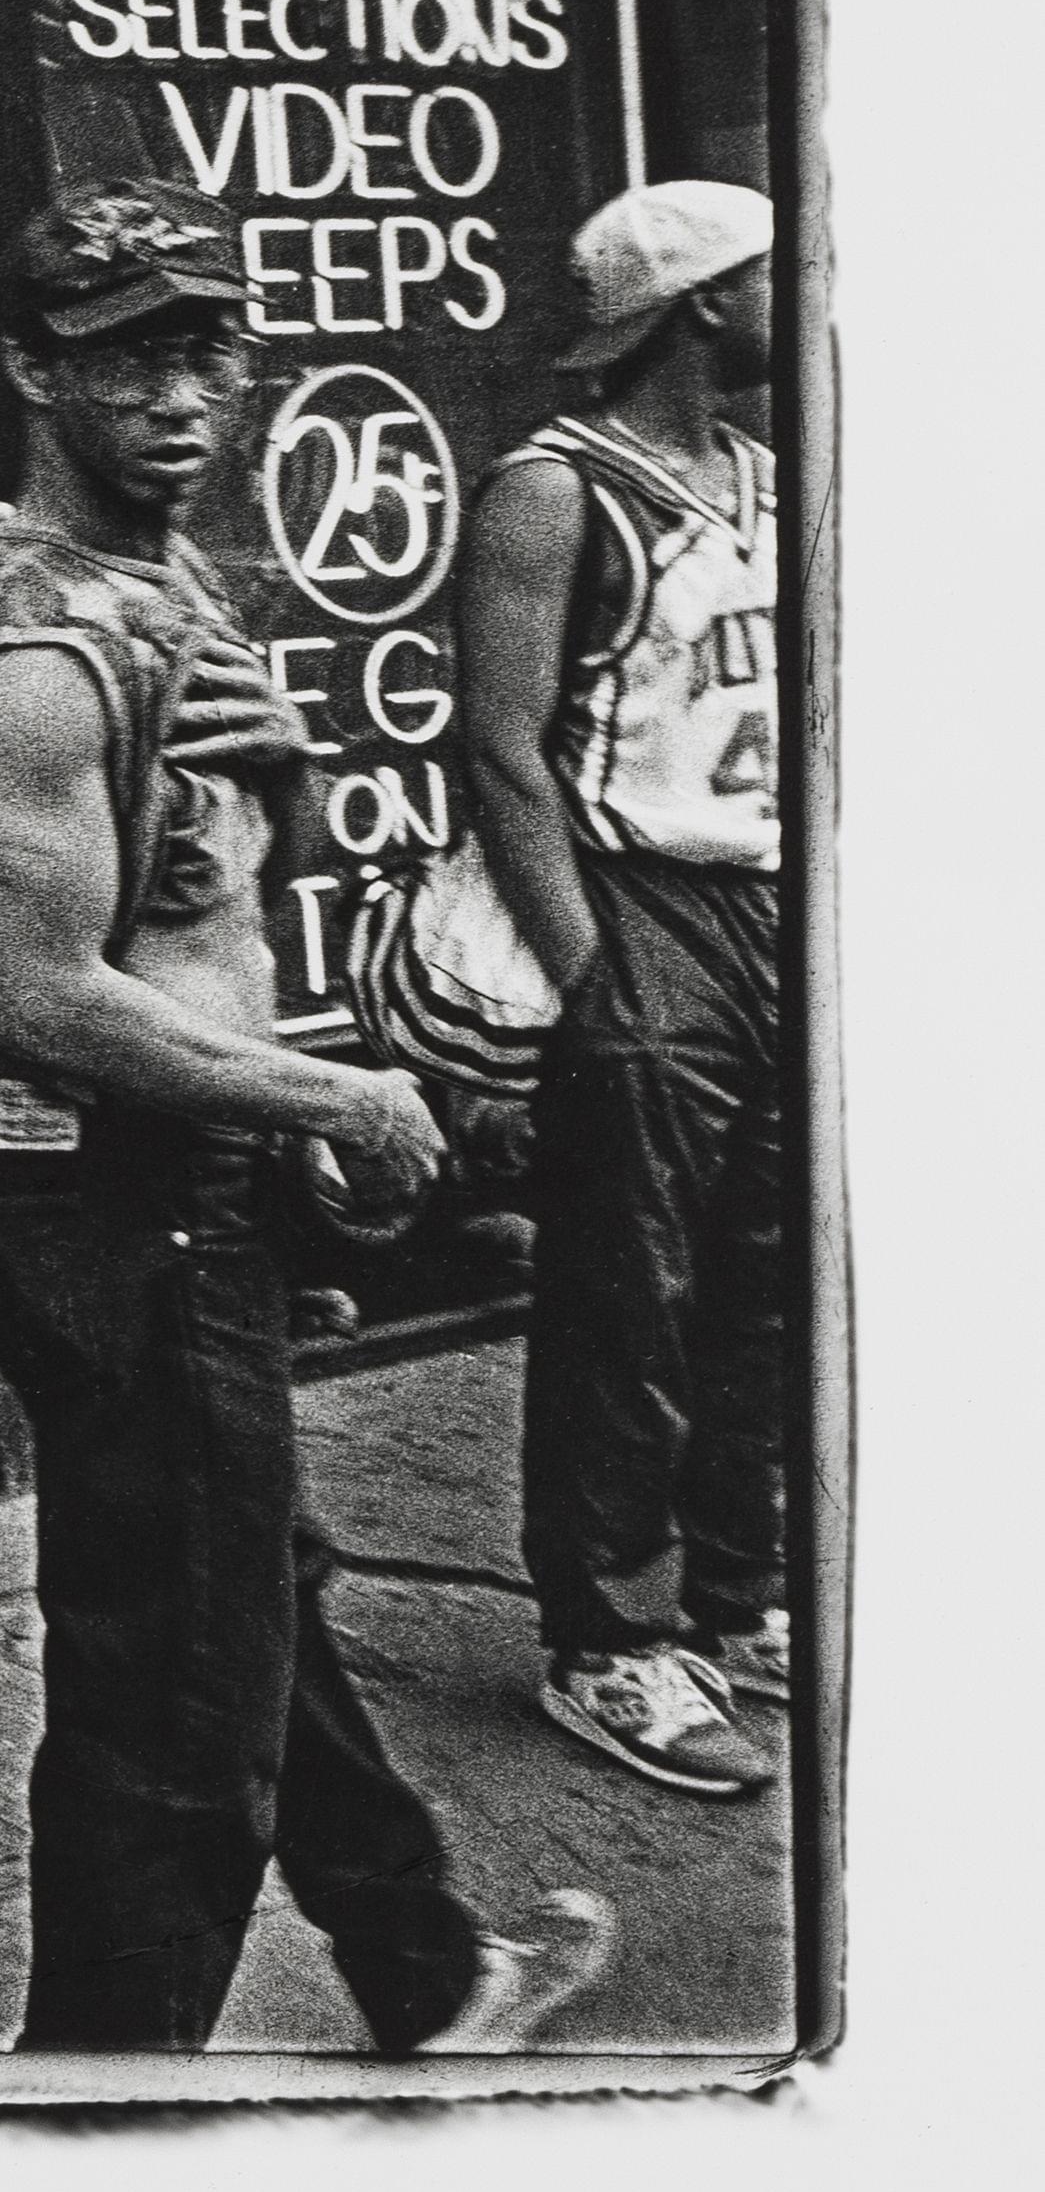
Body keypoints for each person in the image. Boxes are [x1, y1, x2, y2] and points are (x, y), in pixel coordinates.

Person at [0, 177, 613, 2053]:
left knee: (247, 1600)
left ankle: (424, 1969)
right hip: (116, 1199)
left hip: (196, 1181)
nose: (178, 397)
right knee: (173, 1715)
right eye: (125, 357)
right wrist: (339, 1094)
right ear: (29, 370)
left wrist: (289, 770)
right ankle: (93, 2120)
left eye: (206, 352)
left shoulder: (165, 586)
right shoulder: (35, 654)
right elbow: (53, 997)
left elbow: (213, 894)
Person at [455, 181, 788, 1798]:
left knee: (765, 1276)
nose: (797, 297)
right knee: (625, 1294)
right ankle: (608, 1640)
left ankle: (735, 1596)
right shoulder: (552, 489)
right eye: (768, 275)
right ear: (697, 302)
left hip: (766, 900)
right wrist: (597, 976)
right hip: (637, 900)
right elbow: (500, 751)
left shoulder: (765, 476)